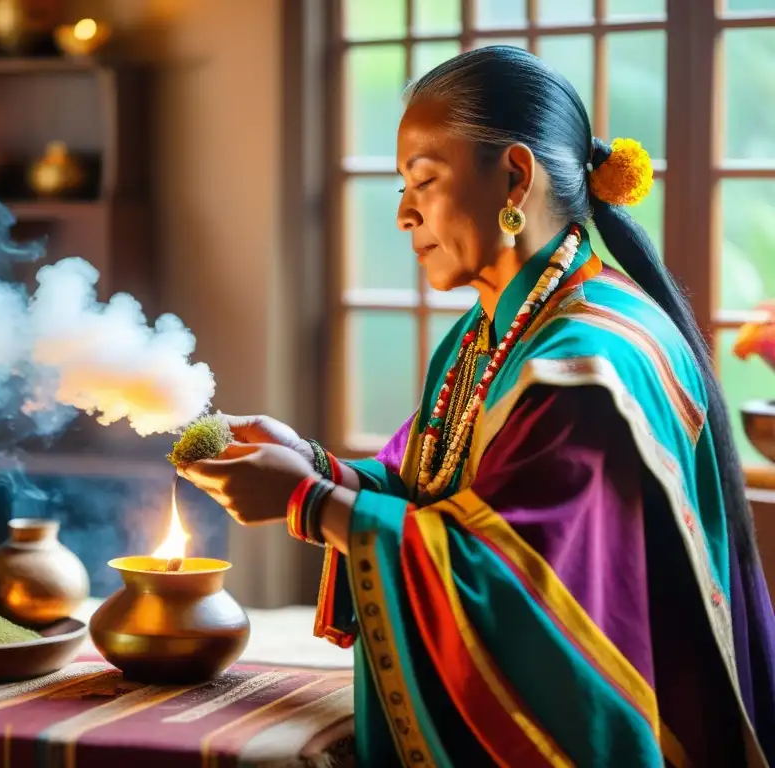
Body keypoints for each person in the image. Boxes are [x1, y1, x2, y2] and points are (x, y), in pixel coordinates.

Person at [179, 46, 775, 767]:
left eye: (423, 181)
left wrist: (308, 501)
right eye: (403, 186)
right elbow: (428, 486)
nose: (404, 214)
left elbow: (516, 586)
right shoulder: (488, 331)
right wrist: (311, 463)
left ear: (516, 176)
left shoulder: (589, 366)